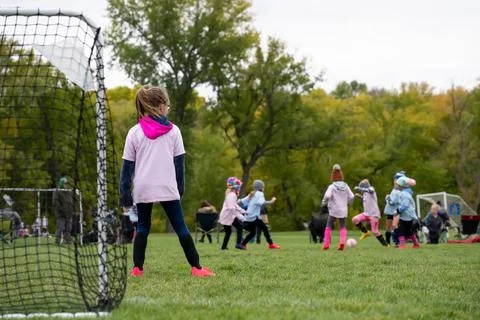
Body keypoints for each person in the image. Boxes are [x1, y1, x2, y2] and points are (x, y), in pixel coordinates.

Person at [120, 85, 214, 277]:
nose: (168, 109)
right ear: (160, 106)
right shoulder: (174, 131)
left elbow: (127, 168)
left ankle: (137, 268)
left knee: (143, 228)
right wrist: (180, 189)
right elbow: (180, 164)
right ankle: (196, 268)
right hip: (167, 186)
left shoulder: (134, 132)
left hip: (143, 188)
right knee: (181, 227)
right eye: (167, 105)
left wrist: (125, 195)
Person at [239, 180, 280, 249]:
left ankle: (243, 244)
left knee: (253, 232)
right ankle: (271, 244)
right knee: (264, 228)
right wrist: (272, 201)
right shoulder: (260, 194)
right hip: (254, 217)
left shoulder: (252, 193)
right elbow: (262, 203)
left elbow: (241, 201)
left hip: (248, 216)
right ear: (261, 187)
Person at [321, 164, 354, 251]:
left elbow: (327, 196)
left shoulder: (332, 186)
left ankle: (326, 244)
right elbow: (352, 196)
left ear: (332, 175)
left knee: (329, 226)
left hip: (334, 209)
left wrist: (324, 202)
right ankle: (342, 242)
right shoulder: (346, 186)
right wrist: (348, 203)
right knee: (342, 226)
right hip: (343, 209)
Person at [352, 179, 388, 246]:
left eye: (362, 187)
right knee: (355, 219)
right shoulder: (365, 193)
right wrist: (360, 196)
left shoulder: (371, 189)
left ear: (364, 187)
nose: (361, 190)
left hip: (374, 214)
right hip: (366, 214)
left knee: (375, 231)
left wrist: (359, 188)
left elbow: (370, 190)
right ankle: (366, 232)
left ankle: (385, 245)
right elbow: (366, 200)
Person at [392, 175, 420, 249]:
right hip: (407, 216)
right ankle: (416, 244)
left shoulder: (405, 194)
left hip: (407, 217)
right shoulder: (405, 193)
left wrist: (397, 210)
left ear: (401, 185)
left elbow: (405, 205)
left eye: (397, 184)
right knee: (409, 232)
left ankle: (402, 245)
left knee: (400, 231)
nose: (396, 184)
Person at [219, 177, 246, 250]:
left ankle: (224, 247)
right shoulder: (232, 195)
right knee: (240, 226)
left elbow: (235, 205)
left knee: (228, 232)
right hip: (228, 216)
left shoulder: (231, 194)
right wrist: (239, 215)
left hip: (226, 216)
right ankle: (238, 244)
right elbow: (231, 208)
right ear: (236, 187)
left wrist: (242, 210)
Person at [383, 171, 405, 246]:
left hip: (395, 211)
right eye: (394, 179)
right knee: (389, 226)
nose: (394, 181)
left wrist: (388, 198)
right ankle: (388, 242)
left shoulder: (398, 190)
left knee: (394, 226)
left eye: (396, 179)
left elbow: (393, 201)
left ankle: (396, 242)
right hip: (391, 210)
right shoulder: (395, 189)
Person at [54, 176, 74, 244]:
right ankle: (57, 241)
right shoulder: (57, 191)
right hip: (61, 214)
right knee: (60, 228)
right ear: (62, 183)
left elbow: (72, 201)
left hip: (69, 213)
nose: (67, 185)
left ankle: (68, 241)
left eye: (67, 184)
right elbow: (55, 203)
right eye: (65, 183)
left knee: (68, 228)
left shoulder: (69, 191)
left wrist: (72, 209)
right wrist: (62, 210)